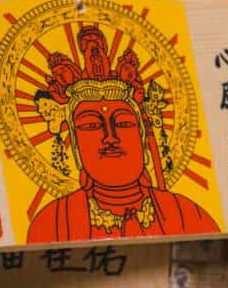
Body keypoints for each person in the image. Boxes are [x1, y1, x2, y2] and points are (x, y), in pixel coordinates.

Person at [27, 26, 218, 243]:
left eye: (124, 123)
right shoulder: (53, 223)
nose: (110, 137)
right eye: (91, 125)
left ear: (143, 137)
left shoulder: (187, 215)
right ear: (76, 147)